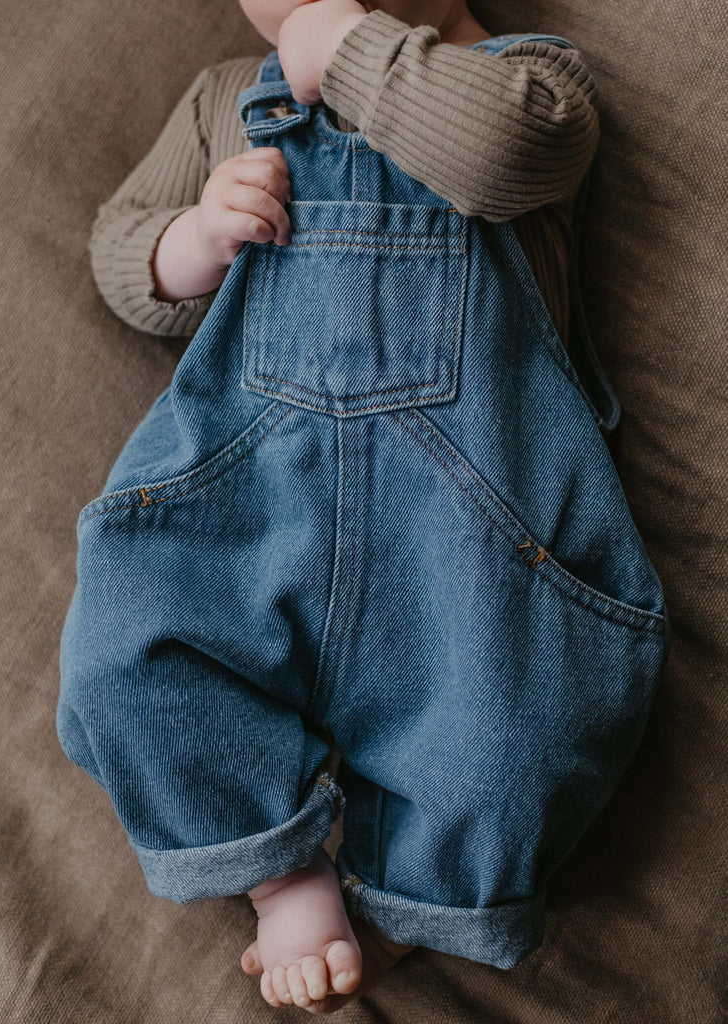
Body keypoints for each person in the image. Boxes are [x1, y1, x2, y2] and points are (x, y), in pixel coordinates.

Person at [58, 0, 671, 1014]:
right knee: (123, 648)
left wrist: (340, 47)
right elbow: (120, 250)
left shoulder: (529, 85)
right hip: (250, 500)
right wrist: (196, 237)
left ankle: (410, 902)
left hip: (474, 528)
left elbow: (499, 154)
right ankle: (280, 871)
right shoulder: (223, 97)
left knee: (520, 723)